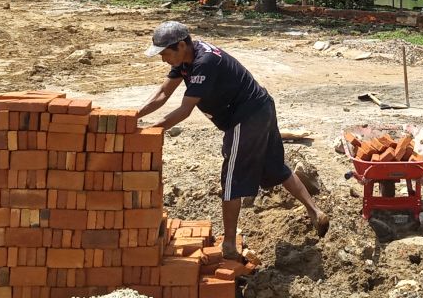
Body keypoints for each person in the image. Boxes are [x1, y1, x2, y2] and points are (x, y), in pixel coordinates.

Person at [135, 21, 329, 259]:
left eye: (165, 53)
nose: (163, 59)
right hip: (261, 108)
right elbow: (163, 94)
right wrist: (132, 117)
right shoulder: (185, 59)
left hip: (246, 118)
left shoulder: (204, 63)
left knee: (231, 180)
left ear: (182, 45)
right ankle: (315, 212)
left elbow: (185, 110)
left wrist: (149, 131)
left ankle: (228, 245)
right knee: (275, 168)